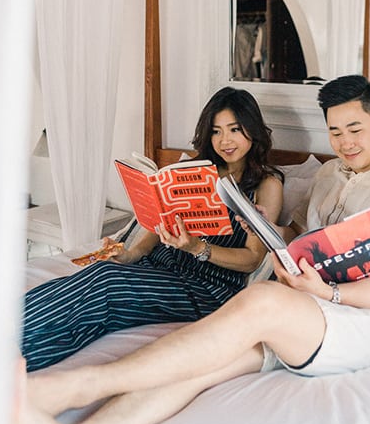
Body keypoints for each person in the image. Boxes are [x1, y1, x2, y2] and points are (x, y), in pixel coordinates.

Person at [13, 75, 370, 424]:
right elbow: (297, 235)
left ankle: (61, 389)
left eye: (356, 130)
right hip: (302, 309)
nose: (345, 142)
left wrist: (326, 292)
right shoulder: (328, 175)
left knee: (258, 299)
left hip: (358, 316)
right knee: (196, 365)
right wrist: (261, 225)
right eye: (335, 131)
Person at [21, 87, 283, 371]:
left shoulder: (266, 184)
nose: (225, 140)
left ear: (251, 129)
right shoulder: (198, 169)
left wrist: (198, 248)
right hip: (164, 265)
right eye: (216, 131)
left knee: (108, 284)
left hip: (209, 286)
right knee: (98, 271)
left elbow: (253, 259)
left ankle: (19, 354)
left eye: (234, 129)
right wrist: (131, 255)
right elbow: (161, 221)